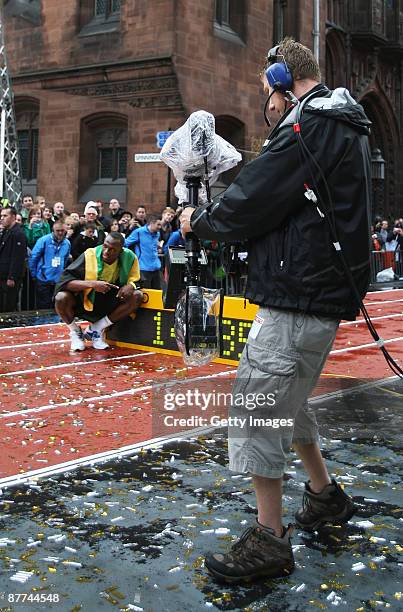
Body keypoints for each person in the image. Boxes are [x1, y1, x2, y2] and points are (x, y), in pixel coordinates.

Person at [180, 37, 371, 584]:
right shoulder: (344, 122)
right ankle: (323, 495)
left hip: (299, 293)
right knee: (291, 399)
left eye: (267, 92)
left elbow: (254, 198)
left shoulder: (307, 126)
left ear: (284, 82)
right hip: (314, 290)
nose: (266, 105)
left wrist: (202, 220)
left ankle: (269, 541)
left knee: (256, 408)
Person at [54, 232, 143, 351]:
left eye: (112, 250)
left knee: (137, 296)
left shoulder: (130, 257)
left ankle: (96, 329)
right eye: (105, 246)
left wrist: (130, 286)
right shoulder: (90, 254)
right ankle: (76, 332)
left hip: (110, 299)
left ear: (120, 251)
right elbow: (64, 282)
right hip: (85, 298)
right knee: (61, 298)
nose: (106, 251)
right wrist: (93, 284)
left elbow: (138, 280)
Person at [29, 220, 71, 309]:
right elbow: (33, 258)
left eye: (62, 231)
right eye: (58, 231)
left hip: (57, 280)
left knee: (56, 306)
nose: (60, 233)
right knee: (43, 306)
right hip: (43, 279)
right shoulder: (44, 240)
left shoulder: (67, 243)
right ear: (53, 230)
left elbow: (65, 259)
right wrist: (34, 275)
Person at [0, 207, 27, 312]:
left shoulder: (18, 234)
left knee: (8, 306)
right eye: (1, 216)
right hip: (2, 275)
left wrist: (12, 277)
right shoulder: (7, 232)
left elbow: (17, 258)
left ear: (13, 217)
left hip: (9, 278)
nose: (2, 218)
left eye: (5, 216)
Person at [124, 214, 162, 289]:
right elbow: (126, 243)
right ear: (151, 223)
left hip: (156, 268)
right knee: (146, 294)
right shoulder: (138, 232)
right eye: (158, 224)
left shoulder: (157, 233)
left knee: (157, 293)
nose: (160, 227)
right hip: (144, 269)